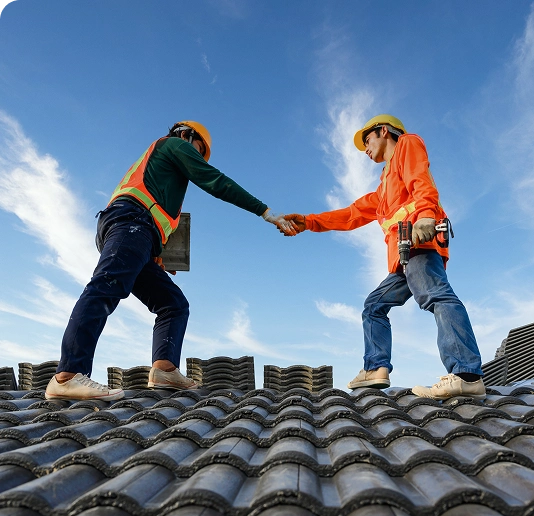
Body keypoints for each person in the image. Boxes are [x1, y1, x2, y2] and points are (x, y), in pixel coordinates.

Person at [45, 121, 293, 401]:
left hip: (138, 232)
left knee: (173, 304)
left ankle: (164, 370)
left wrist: (156, 253)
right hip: (131, 223)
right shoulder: (173, 144)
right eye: (198, 150)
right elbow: (215, 181)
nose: (196, 157)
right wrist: (265, 211)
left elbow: (157, 207)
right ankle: (67, 376)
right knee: (105, 287)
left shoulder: (163, 173)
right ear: (187, 135)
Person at [282, 115, 485, 400]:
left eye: (368, 140)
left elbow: (421, 180)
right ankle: (376, 368)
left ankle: (467, 374)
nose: (365, 149)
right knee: (374, 306)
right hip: (403, 258)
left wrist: (426, 216)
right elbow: (351, 214)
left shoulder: (407, 145)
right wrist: (308, 221)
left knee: (436, 295)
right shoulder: (384, 189)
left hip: (420, 242)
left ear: (384, 131)